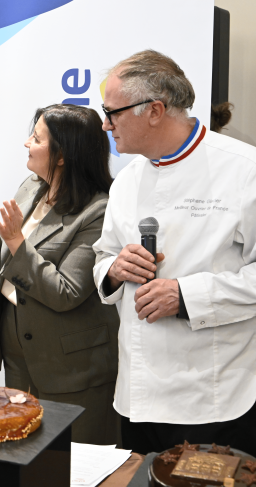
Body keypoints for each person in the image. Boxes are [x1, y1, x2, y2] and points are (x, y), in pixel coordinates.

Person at [93, 49, 256, 455]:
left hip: (213, 394)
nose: (104, 123)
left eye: (112, 112)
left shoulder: (243, 169)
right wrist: (115, 267)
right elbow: (103, 257)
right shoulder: (126, 180)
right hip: (137, 390)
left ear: (154, 111)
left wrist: (186, 296)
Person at [0, 104, 120, 445]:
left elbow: (65, 291)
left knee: (74, 462)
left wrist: (15, 238)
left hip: (71, 365)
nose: (26, 143)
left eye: (36, 138)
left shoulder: (99, 210)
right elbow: (9, 265)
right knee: (26, 454)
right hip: (19, 351)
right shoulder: (32, 186)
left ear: (62, 155)